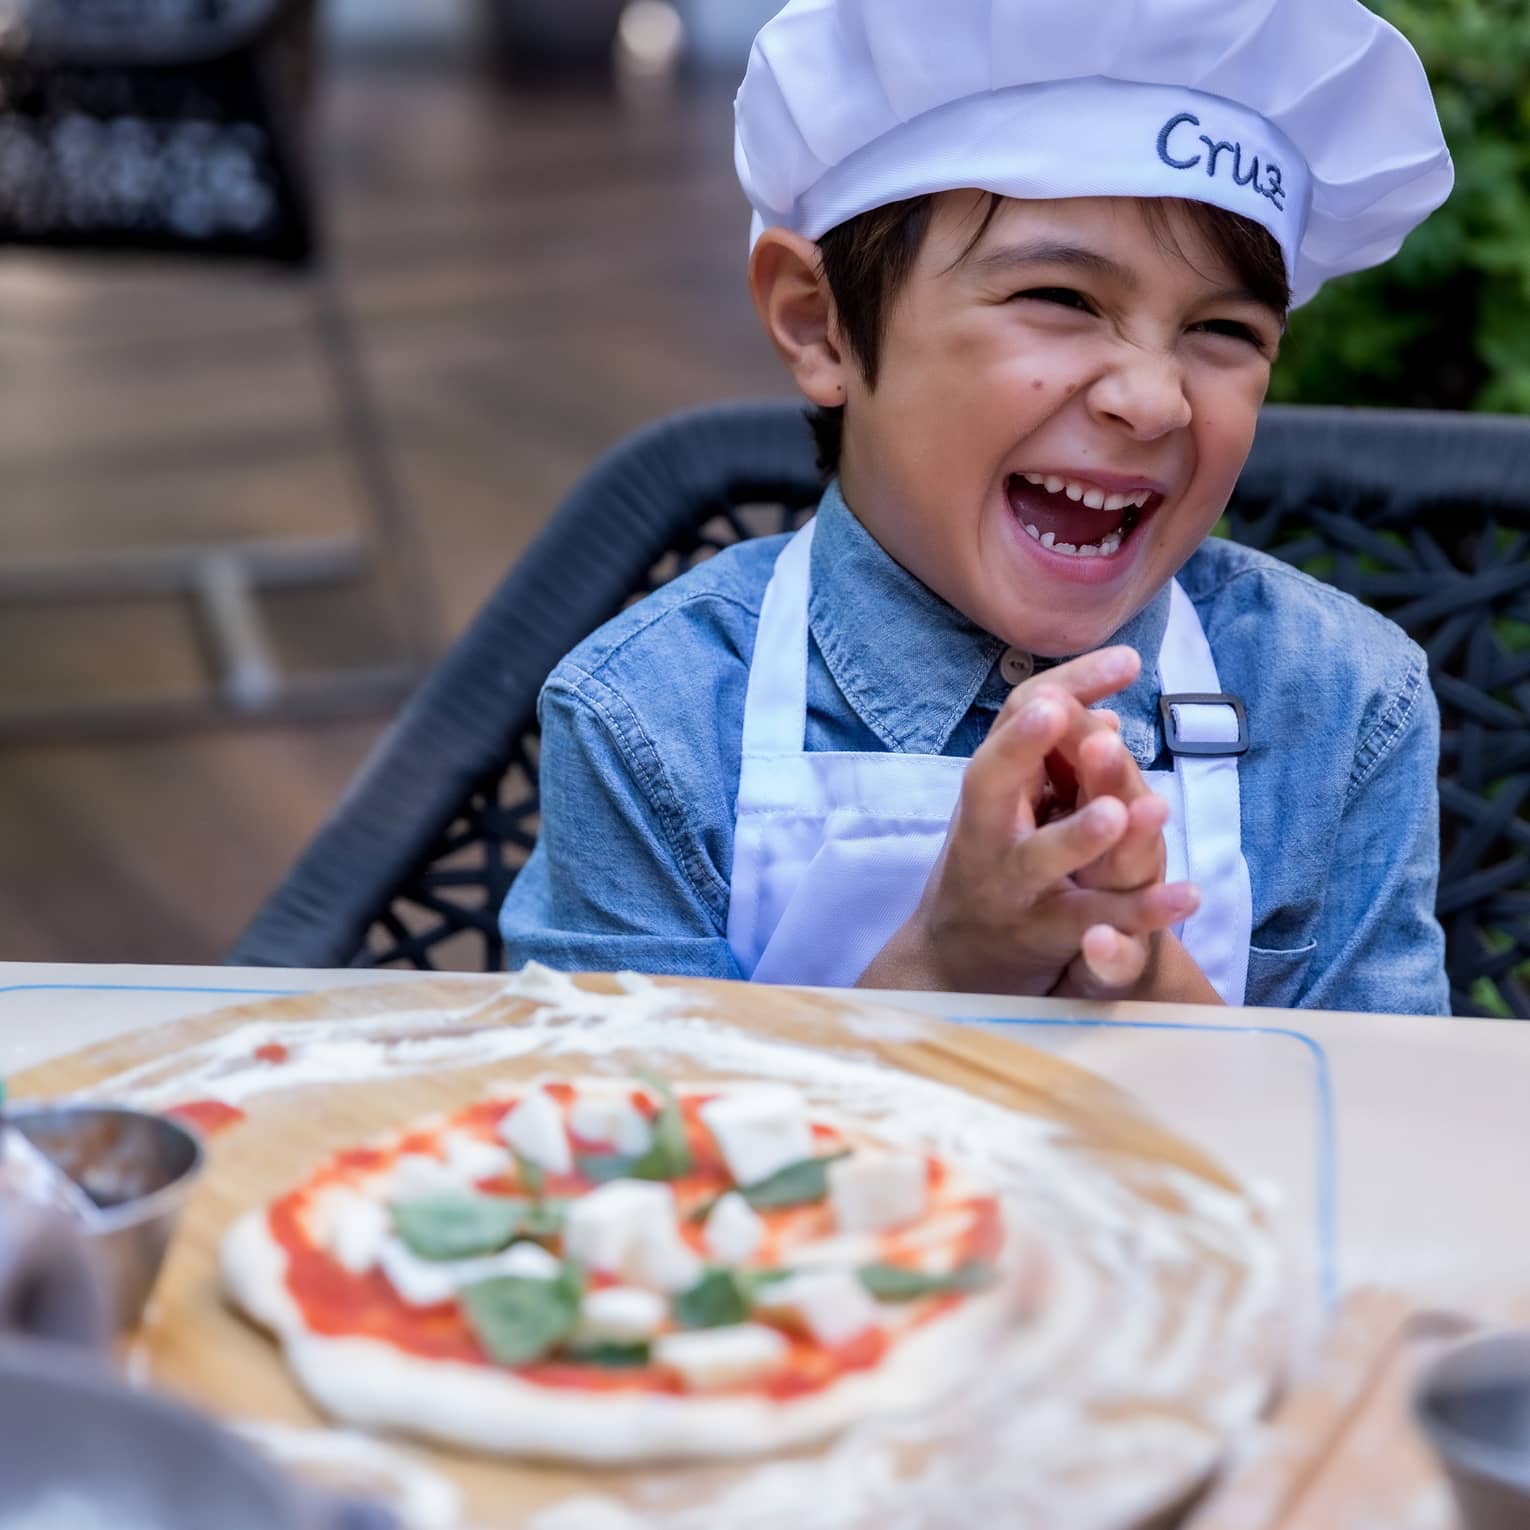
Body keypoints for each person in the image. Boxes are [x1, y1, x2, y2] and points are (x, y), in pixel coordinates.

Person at [501, 0, 1454, 1013]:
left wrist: (1143, 976)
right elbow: (624, 1140)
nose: (1153, 397)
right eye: (1063, 299)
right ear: (820, 326)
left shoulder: (1343, 703)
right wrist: (946, 971)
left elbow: (1387, 1148)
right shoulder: (655, 721)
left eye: (1222, 329)